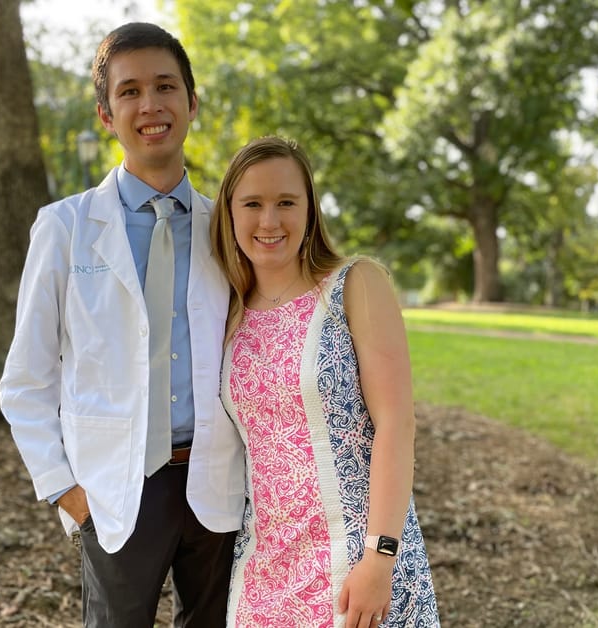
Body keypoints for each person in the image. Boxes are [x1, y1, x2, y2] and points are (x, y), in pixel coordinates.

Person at [0, 22, 245, 627]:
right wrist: (66, 491)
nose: (150, 104)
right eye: (129, 91)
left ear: (192, 102)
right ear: (106, 115)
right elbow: (25, 381)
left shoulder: (231, 229)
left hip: (214, 478)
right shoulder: (65, 227)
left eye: (166, 86)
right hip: (116, 487)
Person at [210, 136, 439, 627]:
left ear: (310, 211)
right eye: (252, 204)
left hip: (358, 561)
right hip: (264, 569)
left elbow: (396, 423)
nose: (269, 221)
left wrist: (380, 557)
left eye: (286, 203)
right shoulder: (225, 310)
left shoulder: (355, 285)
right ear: (229, 214)